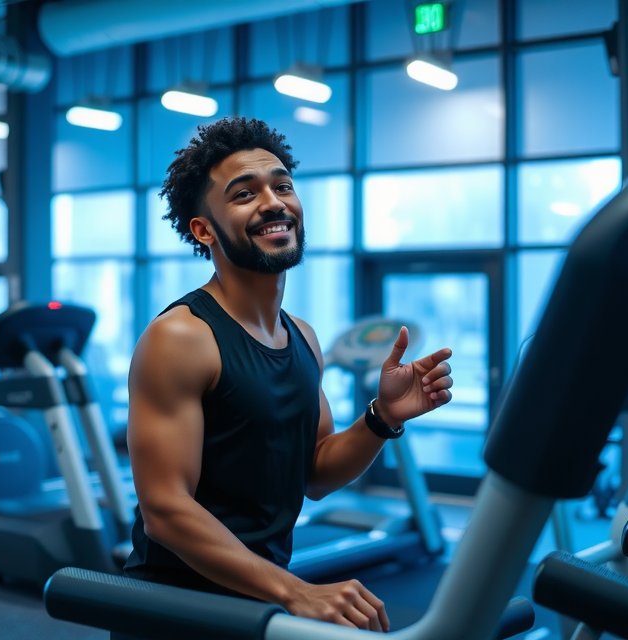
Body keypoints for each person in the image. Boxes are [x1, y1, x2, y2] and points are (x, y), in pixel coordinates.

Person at [122, 116, 454, 632]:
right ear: (203, 229)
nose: (274, 202)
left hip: (257, 600)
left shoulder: (301, 335)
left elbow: (315, 473)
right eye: (244, 194)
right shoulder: (181, 338)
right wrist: (296, 591)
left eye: (282, 186)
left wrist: (382, 417)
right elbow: (165, 510)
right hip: (178, 610)